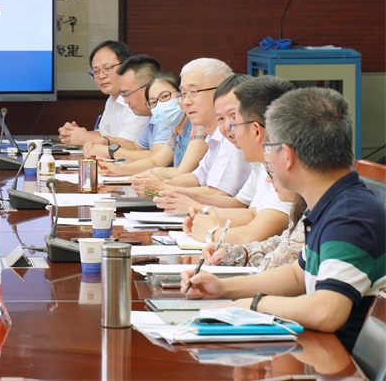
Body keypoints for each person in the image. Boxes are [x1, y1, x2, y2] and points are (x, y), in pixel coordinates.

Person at [182, 87, 386, 352]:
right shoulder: (330, 203)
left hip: (339, 361)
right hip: (318, 349)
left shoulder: (349, 216)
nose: (267, 158)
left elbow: (327, 311)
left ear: (287, 156)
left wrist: (254, 305)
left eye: (269, 147)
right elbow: (297, 275)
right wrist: (223, 288)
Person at [178, 76, 296, 244]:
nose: (228, 128)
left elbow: (253, 235)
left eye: (234, 121)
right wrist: (206, 216)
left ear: (256, 130)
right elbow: (252, 213)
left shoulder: (286, 169)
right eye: (221, 119)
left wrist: (210, 233)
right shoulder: (266, 161)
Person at [131, 59, 251, 208]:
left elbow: (219, 194)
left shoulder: (234, 137)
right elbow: (197, 178)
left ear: (222, 92)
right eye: (183, 94)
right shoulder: (214, 135)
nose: (186, 102)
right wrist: (161, 184)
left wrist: (163, 188)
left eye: (194, 92)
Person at [99, 72, 208, 177]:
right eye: (153, 102)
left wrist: (152, 173)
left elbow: (182, 172)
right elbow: (154, 161)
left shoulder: (199, 128)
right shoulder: (176, 134)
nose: (160, 105)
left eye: (165, 97)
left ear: (182, 95)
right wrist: (118, 169)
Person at [58, 41, 147, 146]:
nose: (101, 76)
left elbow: (129, 144)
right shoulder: (112, 99)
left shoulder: (140, 99)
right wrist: (73, 134)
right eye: (96, 71)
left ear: (127, 66)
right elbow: (105, 135)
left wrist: (83, 138)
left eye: (107, 68)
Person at [84, 54, 165, 159]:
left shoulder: (166, 114)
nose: (125, 101)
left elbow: (155, 157)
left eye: (127, 94)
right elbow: (135, 147)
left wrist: (109, 151)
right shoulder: (152, 116)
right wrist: (105, 141)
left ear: (149, 87)